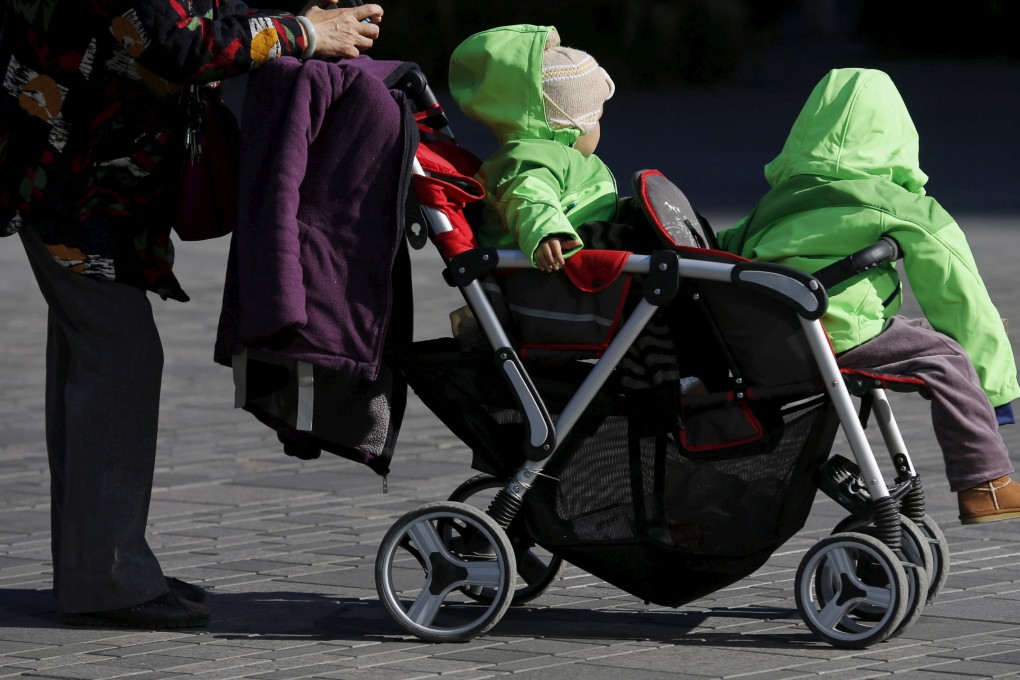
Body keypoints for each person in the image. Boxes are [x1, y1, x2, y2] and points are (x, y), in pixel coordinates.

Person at [0, 0, 383, 629]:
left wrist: (294, 21)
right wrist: (305, 32)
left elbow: (206, 15)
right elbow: (178, 41)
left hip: (87, 172)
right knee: (119, 359)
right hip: (67, 173)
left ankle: (98, 567)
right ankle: (108, 577)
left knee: (92, 355)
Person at [717, 67, 1020, 525]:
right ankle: (986, 484)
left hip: (771, 335)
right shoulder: (901, 204)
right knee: (948, 357)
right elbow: (960, 295)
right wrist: (995, 388)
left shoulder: (775, 202)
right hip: (843, 330)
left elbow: (726, 250)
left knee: (915, 337)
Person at [448, 24, 681, 391]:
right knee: (656, 277)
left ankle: (675, 370)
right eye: (596, 118)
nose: (599, 127)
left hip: (572, 277)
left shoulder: (554, 155)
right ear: (568, 125)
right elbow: (528, 195)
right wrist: (546, 230)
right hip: (551, 285)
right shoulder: (530, 159)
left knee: (651, 244)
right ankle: (666, 379)